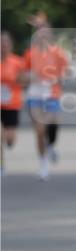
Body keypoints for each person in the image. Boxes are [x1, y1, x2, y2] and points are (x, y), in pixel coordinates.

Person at [23, 19, 69, 180]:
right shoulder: (30, 53)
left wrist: (59, 77)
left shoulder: (58, 53)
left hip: (52, 94)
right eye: (39, 31)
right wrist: (29, 77)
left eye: (46, 31)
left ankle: (50, 145)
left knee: (54, 125)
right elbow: (23, 74)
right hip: (35, 95)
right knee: (40, 130)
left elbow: (66, 72)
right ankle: (43, 164)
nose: (42, 34)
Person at [1, 32, 27, 168]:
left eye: (5, 43)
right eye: (1, 43)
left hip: (12, 103)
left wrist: (18, 80)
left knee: (9, 138)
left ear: (10, 45)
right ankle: (1, 163)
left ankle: (8, 142)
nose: (3, 45)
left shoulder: (17, 62)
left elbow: (24, 81)